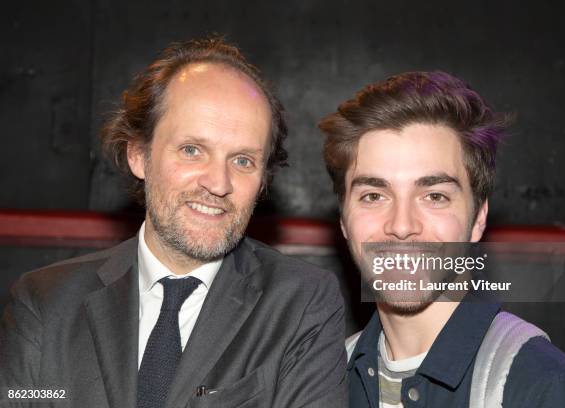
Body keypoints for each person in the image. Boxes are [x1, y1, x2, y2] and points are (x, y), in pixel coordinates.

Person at [0, 37, 347, 408]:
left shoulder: (299, 303)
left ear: (263, 179)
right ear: (138, 154)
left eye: (243, 160)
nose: (218, 183)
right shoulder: (45, 301)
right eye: (192, 150)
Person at [318, 71, 565, 407]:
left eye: (434, 196)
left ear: (478, 219)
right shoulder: (323, 382)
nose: (401, 225)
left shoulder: (549, 391)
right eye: (373, 195)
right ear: (343, 220)